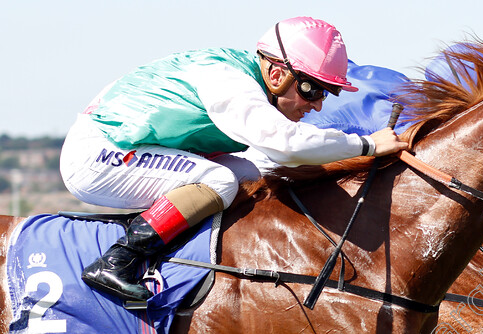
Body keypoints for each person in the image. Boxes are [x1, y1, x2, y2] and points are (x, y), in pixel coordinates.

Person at [59, 16, 407, 303]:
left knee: (253, 172)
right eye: (311, 90)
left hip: (132, 148)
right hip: (100, 155)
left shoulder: (249, 79)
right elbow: (286, 144)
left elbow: (276, 157)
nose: (316, 105)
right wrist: (367, 145)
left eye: (325, 95)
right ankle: (119, 260)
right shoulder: (229, 82)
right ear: (276, 74)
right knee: (220, 181)